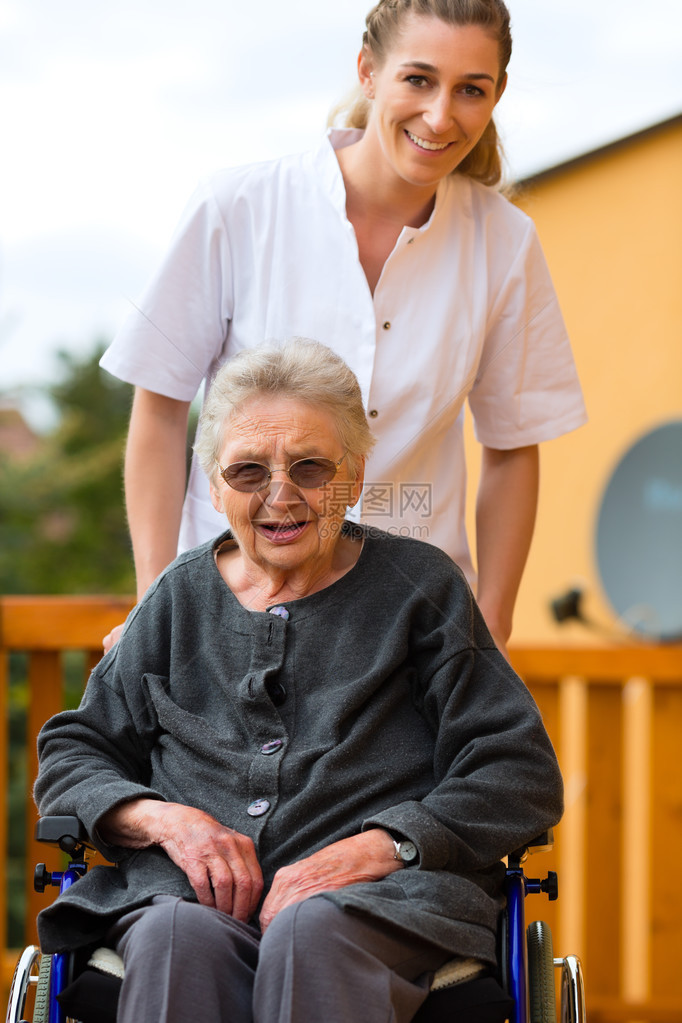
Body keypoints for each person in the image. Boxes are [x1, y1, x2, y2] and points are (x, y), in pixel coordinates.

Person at [36, 339, 563, 1023]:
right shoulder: (177, 597)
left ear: (355, 472)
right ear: (217, 485)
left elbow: (516, 768)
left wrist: (383, 844)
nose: (279, 496)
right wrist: (164, 820)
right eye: (248, 471)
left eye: (311, 467)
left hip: (381, 905)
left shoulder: (419, 588)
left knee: (312, 935)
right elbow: (76, 751)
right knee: (173, 939)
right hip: (183, 898)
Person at [100, 0, 586, 656]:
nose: (441, 115)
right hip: (230, 615)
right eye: (418, 79)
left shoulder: (505, 243)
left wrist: (491, 623)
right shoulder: (239, 208)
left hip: (413, 632)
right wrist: (156, 602)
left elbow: (512, 445)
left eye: (471, 89)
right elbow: (158, 410)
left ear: (495, 94)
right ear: (367, 71)